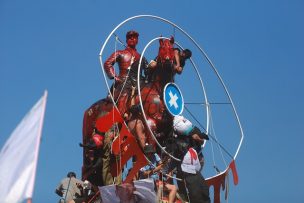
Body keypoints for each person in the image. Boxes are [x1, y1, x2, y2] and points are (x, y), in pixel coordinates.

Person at [104, 30, 148, 114]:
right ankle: (117, 122)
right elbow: (107, 63)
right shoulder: (120, 53)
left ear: (137, 40)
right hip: (123, 83)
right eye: (129, 37)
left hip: (139, 85)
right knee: (123, 97)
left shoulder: (141, 58)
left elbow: (148, 71)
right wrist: (114, 77)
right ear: (126, 40)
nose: (132, 39)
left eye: (134, 37)